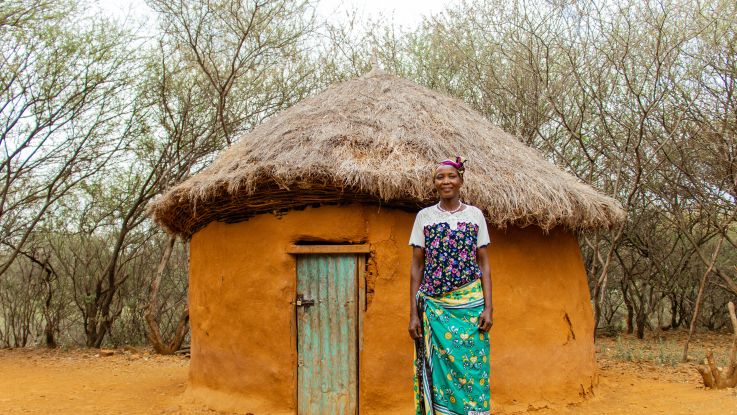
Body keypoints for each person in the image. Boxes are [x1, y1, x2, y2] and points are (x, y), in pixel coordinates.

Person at [409, 157, 493, 415]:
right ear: (435, 183)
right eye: (440, 177)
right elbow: (416, 267)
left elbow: (484, 265)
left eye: (451, 176)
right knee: (439, 371)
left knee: (474, 366)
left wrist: (489, 308)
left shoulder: (475, 215)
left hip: (471, 307)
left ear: (461, 180)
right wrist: (413, 313)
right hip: (434, 309)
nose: (446, 181)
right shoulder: (424, 217)